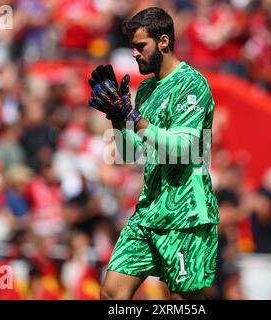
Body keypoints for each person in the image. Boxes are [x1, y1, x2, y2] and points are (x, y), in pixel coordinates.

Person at [87, 7, 218, 300]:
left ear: (163, 42)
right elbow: (127, 154)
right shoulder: (145, 89)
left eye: (140, 46)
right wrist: (117, 118)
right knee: (111, 294)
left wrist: (134, 117)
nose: (134, 54)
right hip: (149, 211)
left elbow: (184, 149)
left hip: (186, 214)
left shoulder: (192, 84)